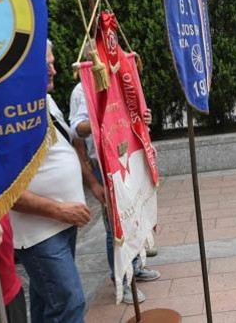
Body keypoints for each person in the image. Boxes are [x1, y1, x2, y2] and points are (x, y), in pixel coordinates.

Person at [9, 40, 90, 322]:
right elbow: (8, 191)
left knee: (47, 304)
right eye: (48, 65)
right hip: (39, 233)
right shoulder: (12, 114)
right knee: (70, 303)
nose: (54, 70)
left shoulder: (45, 99)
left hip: (61, 225)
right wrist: (59, 209)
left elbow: (66, 146)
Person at [69, 55, 160, 305]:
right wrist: (100, 122)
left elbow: (131, 116)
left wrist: (144, 118)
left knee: (134, 215)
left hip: (127, 160)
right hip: (104, 165)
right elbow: (76, 129)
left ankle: (134, 268)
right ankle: (120, 279)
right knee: (115, 227)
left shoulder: (120, 80)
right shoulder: (82, 88)